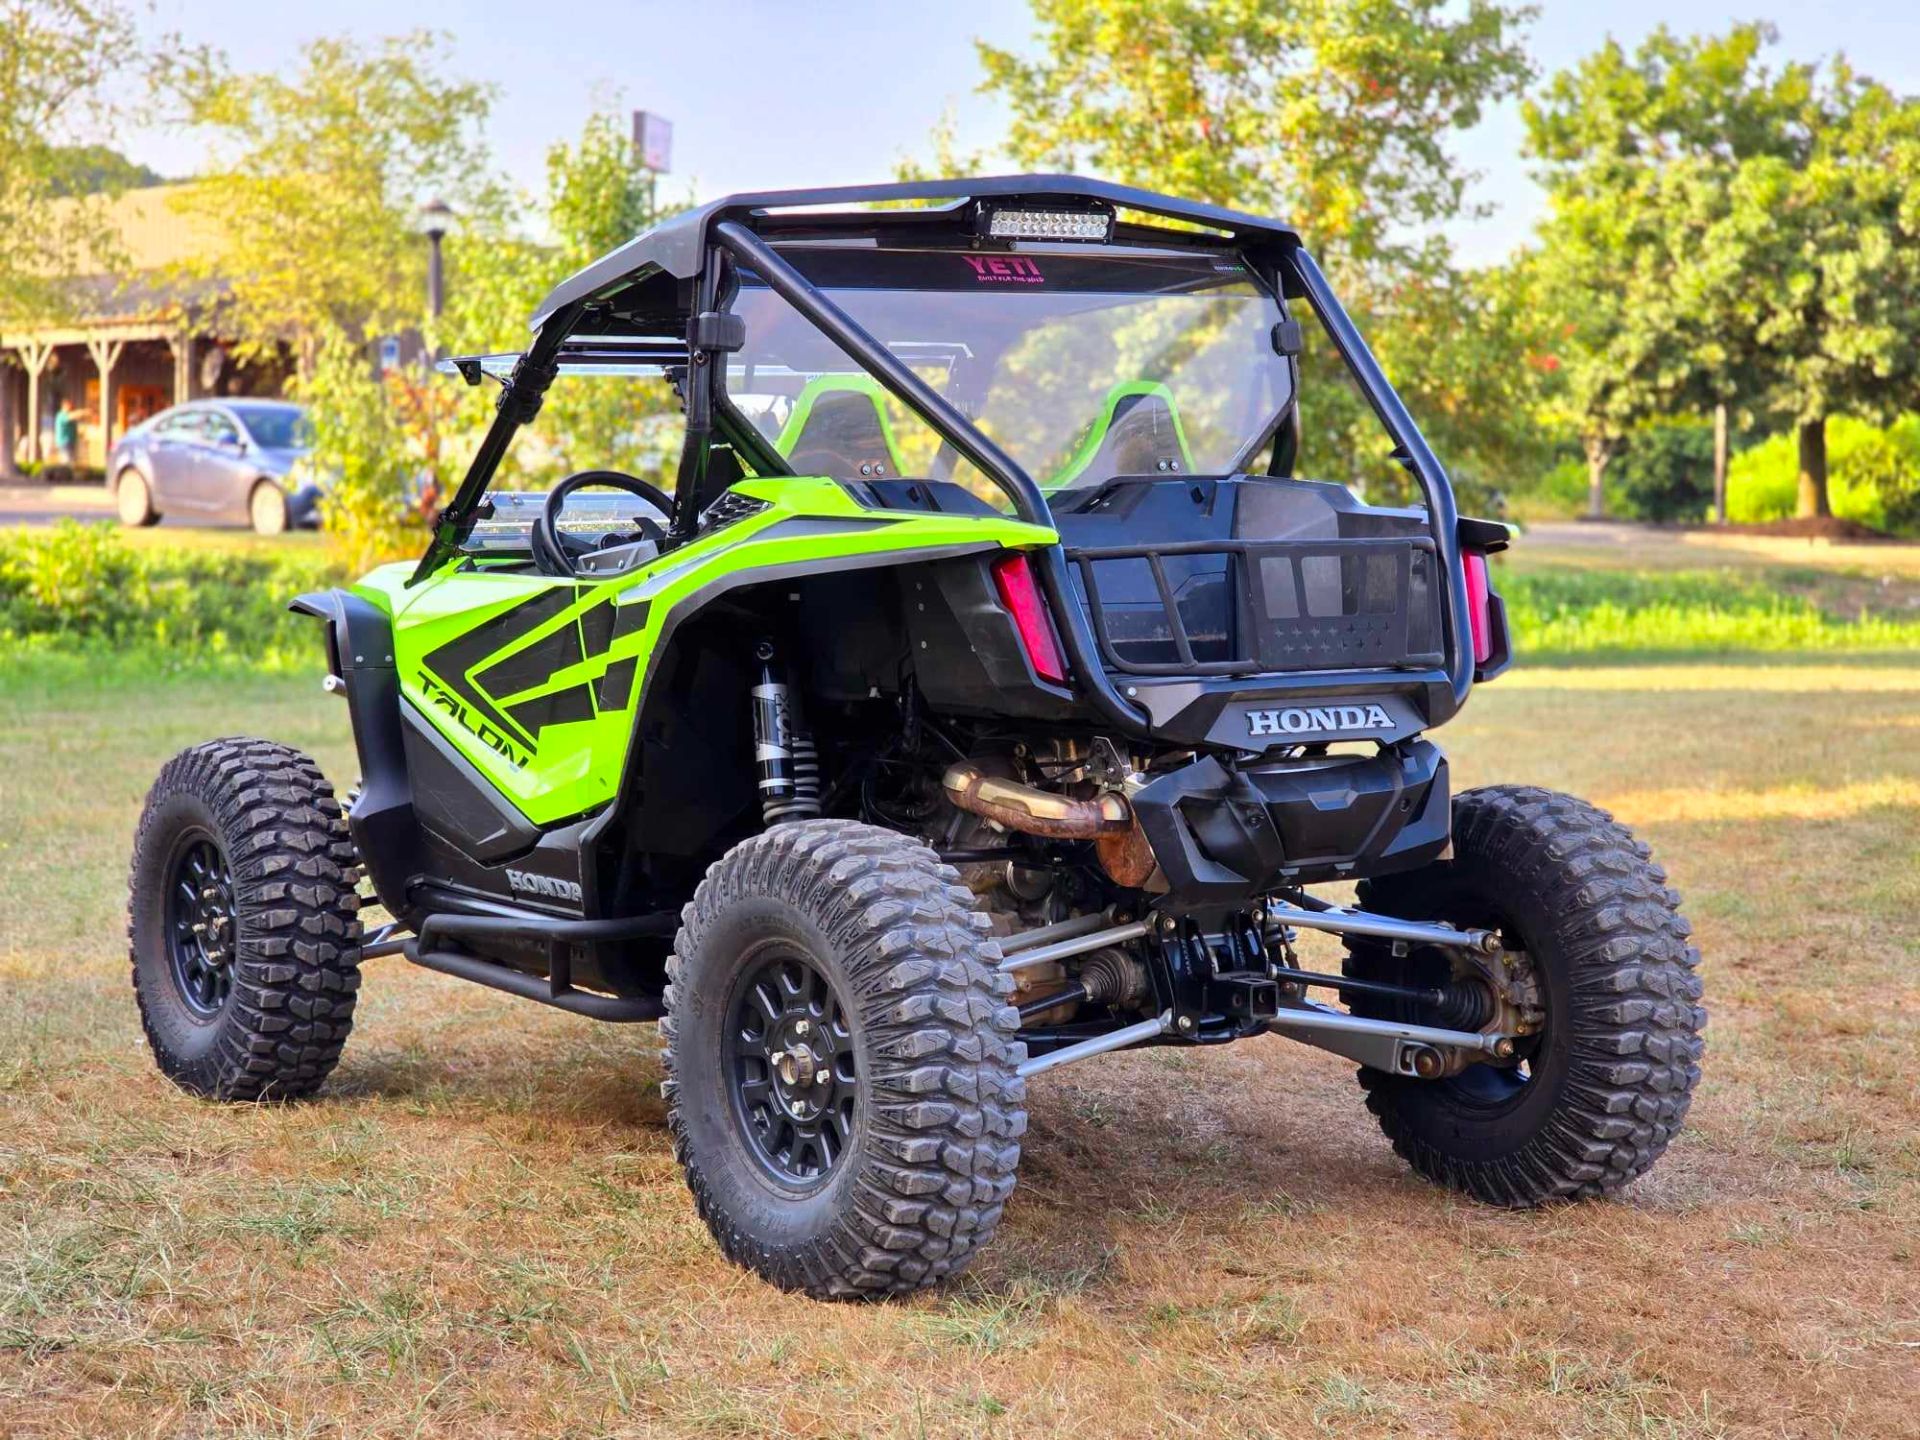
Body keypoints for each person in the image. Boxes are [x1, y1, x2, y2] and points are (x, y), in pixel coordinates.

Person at [52, 397, 79, 468]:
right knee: (66, 461)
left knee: (71, 461)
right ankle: (64, 475)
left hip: (71, 442)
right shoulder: (62, 415)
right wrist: (84, 412)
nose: (71, 408)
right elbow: (71, 417)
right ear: (64, 406)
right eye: (69, 406)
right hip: (64, 442)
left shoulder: (69, 414)